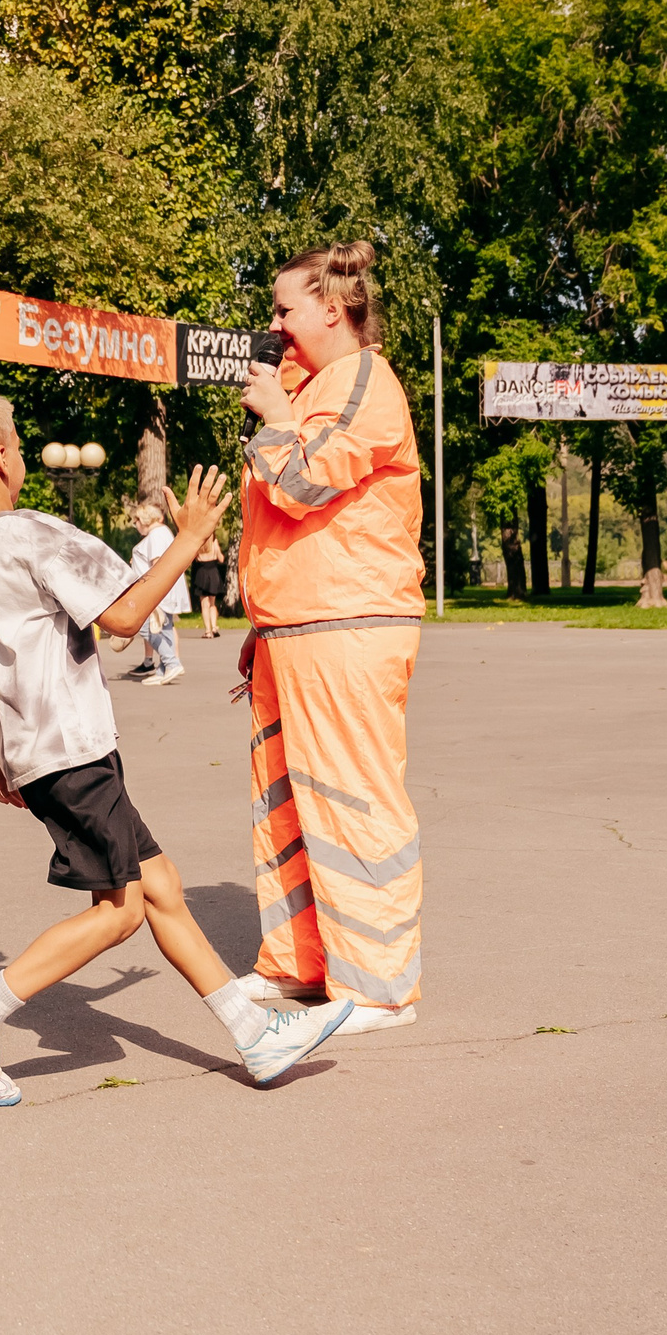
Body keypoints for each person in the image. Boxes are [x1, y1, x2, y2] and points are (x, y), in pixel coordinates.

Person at [0, 386, 353, 1103]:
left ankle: (255, 1037)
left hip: (35, 755)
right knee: (121, 910)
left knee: (161, 885)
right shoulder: (32, 533)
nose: (19, 452)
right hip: (71, 751)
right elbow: (124, 616)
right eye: (17, 442)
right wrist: (191, 535)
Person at [234, 240, 427, 1035]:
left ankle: (378, 986)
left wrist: (277, 420)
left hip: (351, 620)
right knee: (286, 806)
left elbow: (306, 482)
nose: (274, 325)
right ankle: (301, 964)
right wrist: (260, 625)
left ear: (331, 307)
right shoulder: (311, 386)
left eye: (284, 309)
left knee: (353, 800)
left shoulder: (363, 381)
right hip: (295, 626)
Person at [120, 498, 186, 684]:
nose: (136, 525)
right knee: (164, 628)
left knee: (146, 628)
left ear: (145, 519)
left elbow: (158, 565)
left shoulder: (156, 535)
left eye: (137, 521)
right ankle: (164, 669)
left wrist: (152, 592)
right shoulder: (162, 533)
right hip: (161, 590)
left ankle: (171, 663)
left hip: (154, 591)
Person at [191, 528, 229, 637]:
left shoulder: (198, 543)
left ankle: (208, 631)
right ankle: (214, 626)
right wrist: (216, 552)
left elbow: (193, 558)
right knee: (212, 603)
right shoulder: (213, 542)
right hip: (213, 572)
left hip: (201, 572)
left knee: (204, 604)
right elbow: (221, 559)